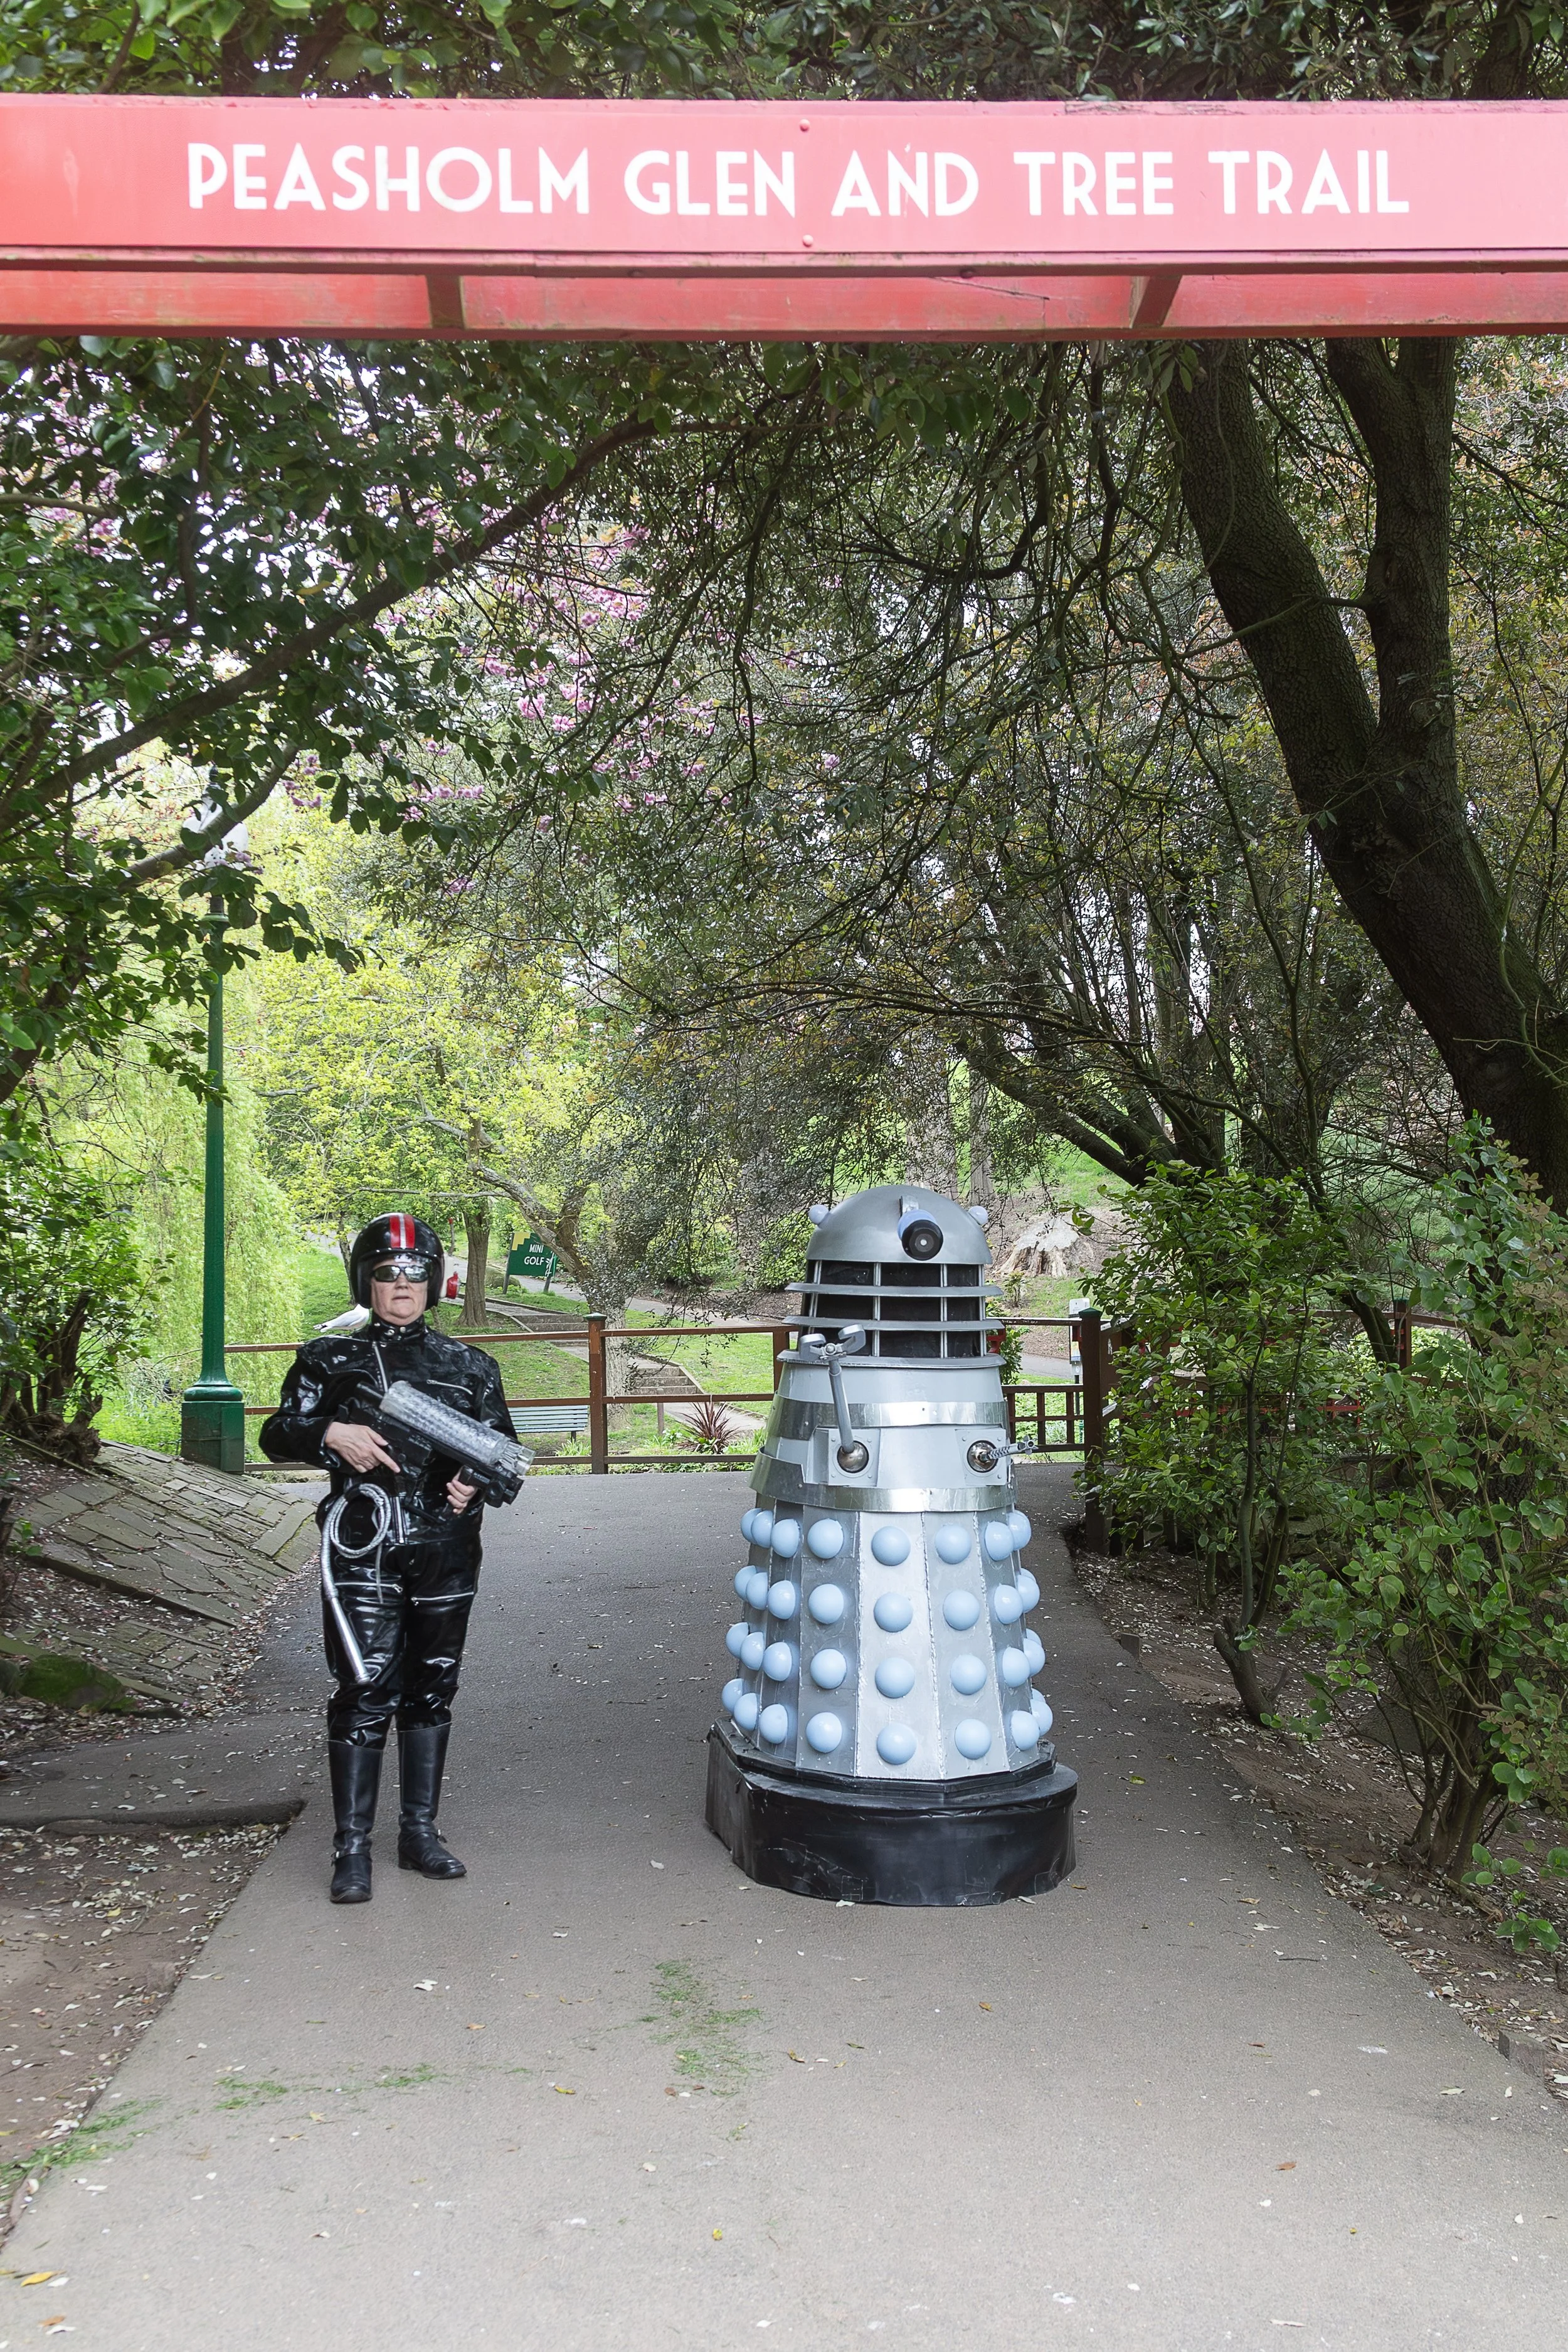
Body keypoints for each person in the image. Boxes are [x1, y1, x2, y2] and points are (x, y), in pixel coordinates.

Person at [259, 1212, 517, 1904]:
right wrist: (330, 1432)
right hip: (362, 1547)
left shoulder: (471, 1367)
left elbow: (506, 1456)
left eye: (414, 1272)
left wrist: (476, 1481)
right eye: (386, 1273)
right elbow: (277, 1433)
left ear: (433, 1282)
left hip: (447, 1550)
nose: (401, 1285)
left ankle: (419, 1833)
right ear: (366, 1282)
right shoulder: (328, 1358)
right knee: (366, 1687)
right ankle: (351, 1850)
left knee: (433, 1688)